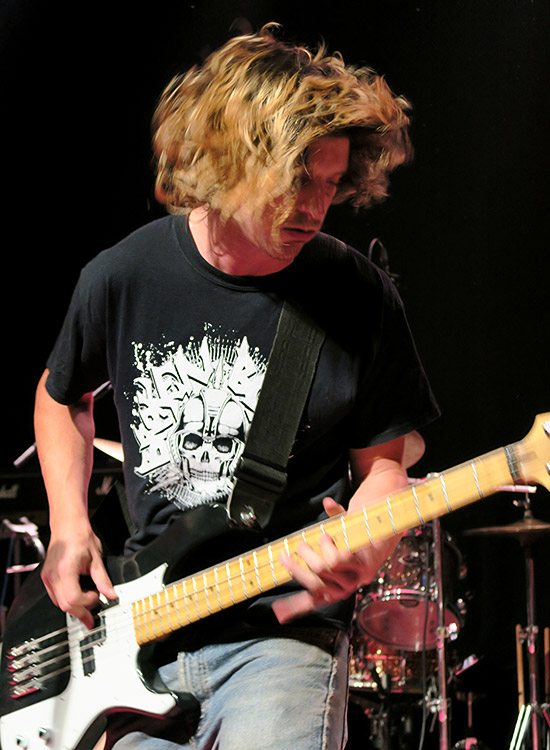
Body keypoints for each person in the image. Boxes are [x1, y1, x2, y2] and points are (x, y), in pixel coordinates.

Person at [34, 24, 439, 750]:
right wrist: (68, 527)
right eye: (296, 181)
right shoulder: (123, 276)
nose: (315, 206)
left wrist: (364, 550)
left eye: (330, 183)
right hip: (137, 639)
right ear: (229, 163)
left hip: (281, 637)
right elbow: (61, 394)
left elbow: (384, 471)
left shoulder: (356, 293)